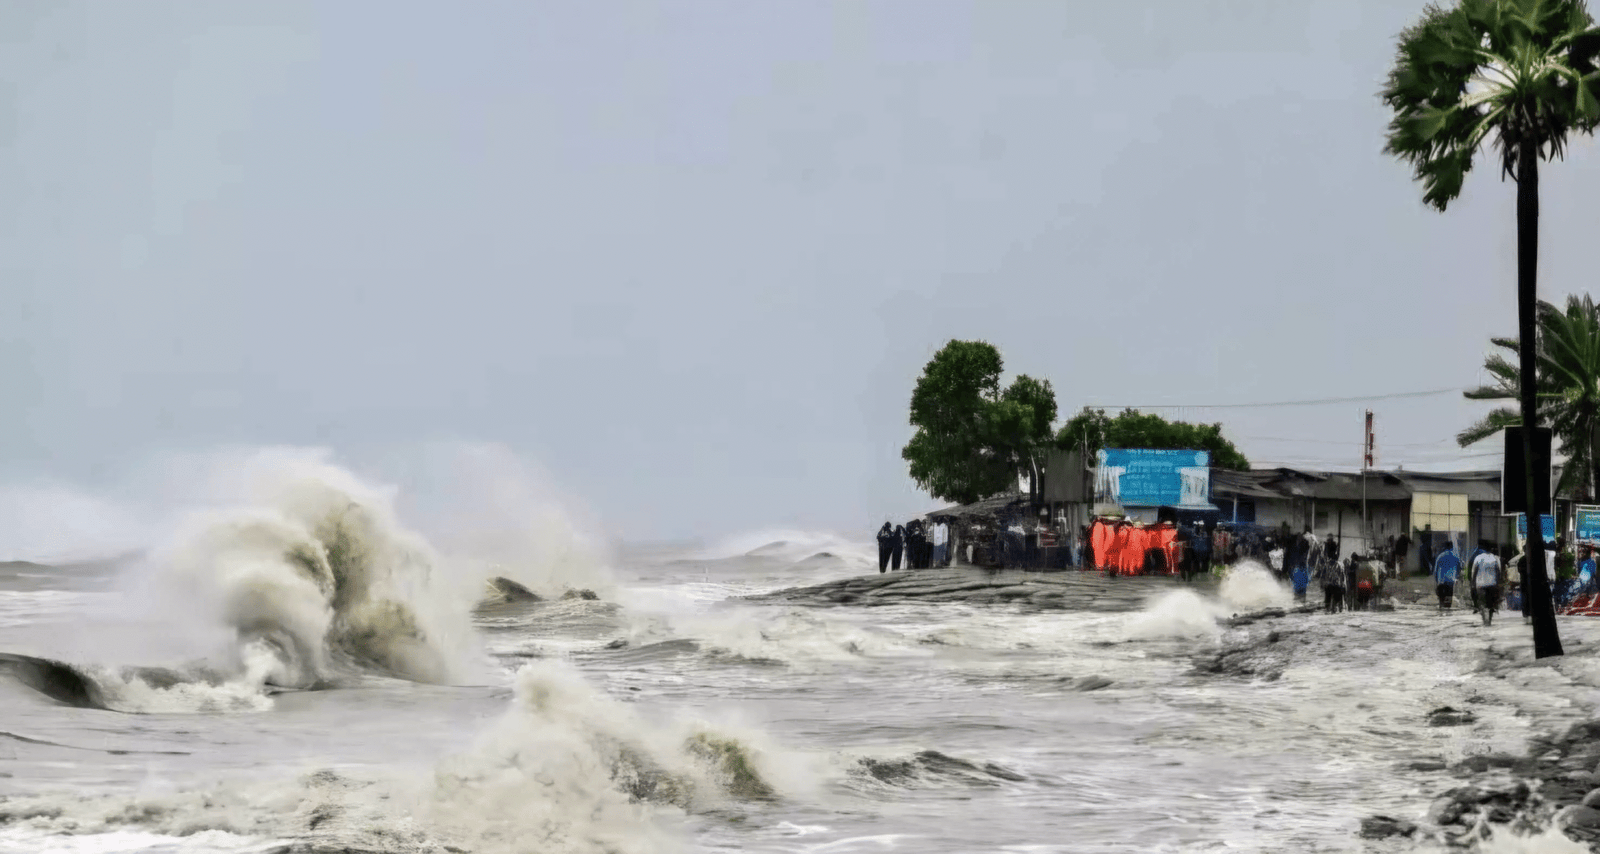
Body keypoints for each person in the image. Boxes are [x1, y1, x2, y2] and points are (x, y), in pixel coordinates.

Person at [1473, 546, 1504, 626]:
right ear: (1491, 549)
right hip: (1492, 584)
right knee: (1490, 604)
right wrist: (1499, 586)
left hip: (1480, 584)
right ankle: (1489, 621)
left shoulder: (1478, 558)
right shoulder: (1495, 558)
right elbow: (1499, 573)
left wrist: (1472, 584)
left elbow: (1474, 572)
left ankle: (1485, 621)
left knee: (1482, 604)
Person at [1433, 540, 1461, 614]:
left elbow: (1435, 571)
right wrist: (1457, 578)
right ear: (1452, 547)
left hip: (1441, 582)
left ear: (1444, 547)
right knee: (1448, 603)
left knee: (1441, 603)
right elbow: (1459, 570)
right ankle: (1448, 618)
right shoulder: (1455, 557)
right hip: (1450, 583)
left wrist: (1437, 582)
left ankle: (1441, 617)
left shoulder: (1440, 556)